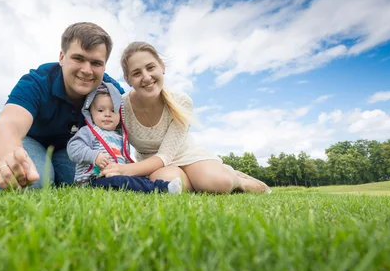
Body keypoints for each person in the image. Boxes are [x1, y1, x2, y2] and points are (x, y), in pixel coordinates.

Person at [99, 41, 271, 194]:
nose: (146, 77)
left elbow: (166, 155)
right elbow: (109, 138)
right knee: (171, 183)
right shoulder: (120, 106)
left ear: (162, 67)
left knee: (218, 183)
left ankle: (238, 179)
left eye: (151, 68)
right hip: (152, 163)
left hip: (186, 155)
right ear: (128, 79)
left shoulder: (182, 101)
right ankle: (200, 180)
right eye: (136, 73)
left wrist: (126, 170)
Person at [0, 22, 125, 190]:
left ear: (104, 66)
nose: (87, 70)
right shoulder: (37, 81)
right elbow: (8, 123)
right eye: (78, 58)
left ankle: (53, 171)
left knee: (86, 181)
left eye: (96, 63)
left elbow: (137, 109)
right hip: (29, 140)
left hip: (69, 148)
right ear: (62, 58)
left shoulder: (110, 91)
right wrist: (8, 157)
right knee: (32, 180)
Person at [66, 83, 183, 194]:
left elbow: (125, 161)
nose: (107, 114)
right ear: (90, 113)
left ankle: (165, 186)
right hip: (94, 179)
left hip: (117, 175)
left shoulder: (120, 137)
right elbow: (73, 148)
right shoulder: (88, 132)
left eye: (113, 110)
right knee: (121, 182)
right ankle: (161, 188)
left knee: (138, 178)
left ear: (120, 114)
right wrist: (94, 156)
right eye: (101, 110)